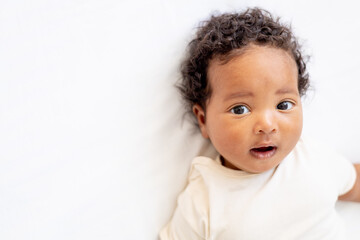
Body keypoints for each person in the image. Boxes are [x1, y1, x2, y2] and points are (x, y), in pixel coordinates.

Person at [160, 7, 360, 240]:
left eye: (283, 105)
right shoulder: (204, 199)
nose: (267, 125)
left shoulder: (313, 158)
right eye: (240, 109)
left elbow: (354, 185)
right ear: (203, 119)